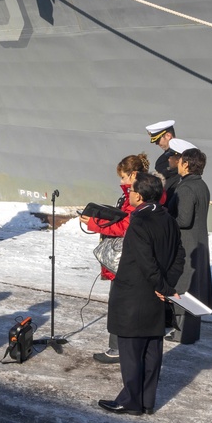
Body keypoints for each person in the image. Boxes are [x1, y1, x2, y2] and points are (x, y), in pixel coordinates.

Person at [99, 172, 184, 416]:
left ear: (139, 194)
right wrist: (167, 285)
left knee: (131, 353)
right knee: (151, 351)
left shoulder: (140, 221)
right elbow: (180, 255)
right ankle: (147, 400)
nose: (130, 193)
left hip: (134, 297)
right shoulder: (167, 218)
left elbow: (145, 262)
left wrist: (163, 287)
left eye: (132, 190)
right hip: (155, 299)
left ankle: (131, 401)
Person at [79, 153, 150, 364]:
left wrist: (94, 223)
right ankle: (122, 346)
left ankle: (117, 348)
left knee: (120, 303)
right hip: (130, 257)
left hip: (126, 259)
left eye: (123, 177)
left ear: (133, 175)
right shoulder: (137, 194)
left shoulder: (136, 196)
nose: (121, 182)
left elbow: (126, 226)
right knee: (124, 302)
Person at [167, 147, 212, 345]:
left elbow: (183, 220)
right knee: (195, 288)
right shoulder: (201, 185)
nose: (177, 163)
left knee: (183, 287)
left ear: (186, 164)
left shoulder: (185, 188)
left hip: (187, 244)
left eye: (180, 161)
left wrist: (165, 220)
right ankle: (191, 333)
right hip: (200, 242)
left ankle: (181, 333)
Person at [146, 120, 179, 185]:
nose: (156, 143)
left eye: (158, 140)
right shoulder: (161, 161)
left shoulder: (162, 161)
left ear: (168, 136)